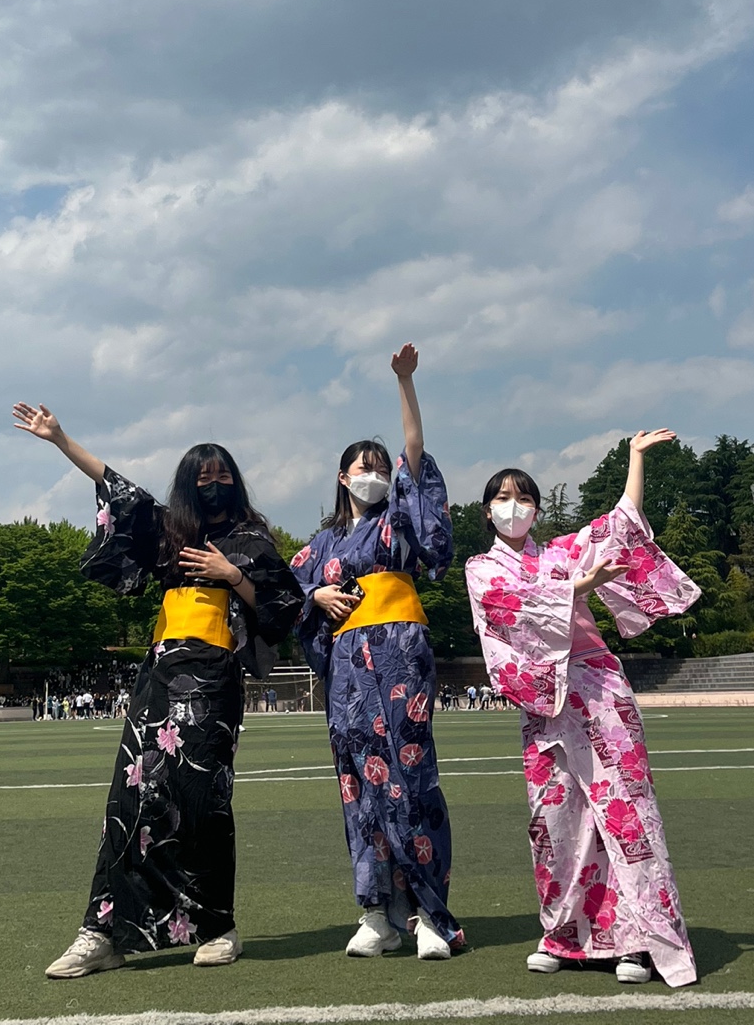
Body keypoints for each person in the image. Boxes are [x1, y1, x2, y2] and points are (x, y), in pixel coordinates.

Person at [13, 401, 303, 976]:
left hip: (214, 679)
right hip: (159, 676)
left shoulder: (251, 537)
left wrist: (233, 576)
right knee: (129, 797)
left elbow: (284, 606)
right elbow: (122, 492)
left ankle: (217, 927)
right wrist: (61, 439)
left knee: (203, 801)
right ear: (188, 484)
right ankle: (102, 932)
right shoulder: (173, 534)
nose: (214, 485)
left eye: (223, 476)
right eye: (203, 476)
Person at [465, 431, 699, 988]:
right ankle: (564, 935)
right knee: (557, 819)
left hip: (599, 689)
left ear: (537, 510)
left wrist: (635, 459)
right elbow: (507, 606)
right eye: (503, 498)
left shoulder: (561, 553)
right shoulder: (481, 568)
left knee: (623, 813)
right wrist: (575, 589)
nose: (514, 507)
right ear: (487, 510)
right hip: (545, 703)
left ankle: (637, 942)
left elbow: (620, 524)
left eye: (524, 498)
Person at [292, 345, 461, 962]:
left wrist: (405, 383)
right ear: (342, 477)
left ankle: (430, 914)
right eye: (362, 466)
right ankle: (377, 913)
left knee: (409, 776)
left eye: (380, 466)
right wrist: (315, 594)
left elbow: (415, 453)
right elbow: (286, 595)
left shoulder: (398, 520)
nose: (375, 472)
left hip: (400, 656)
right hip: (347, 671)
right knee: (358, 782)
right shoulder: (322, 543)